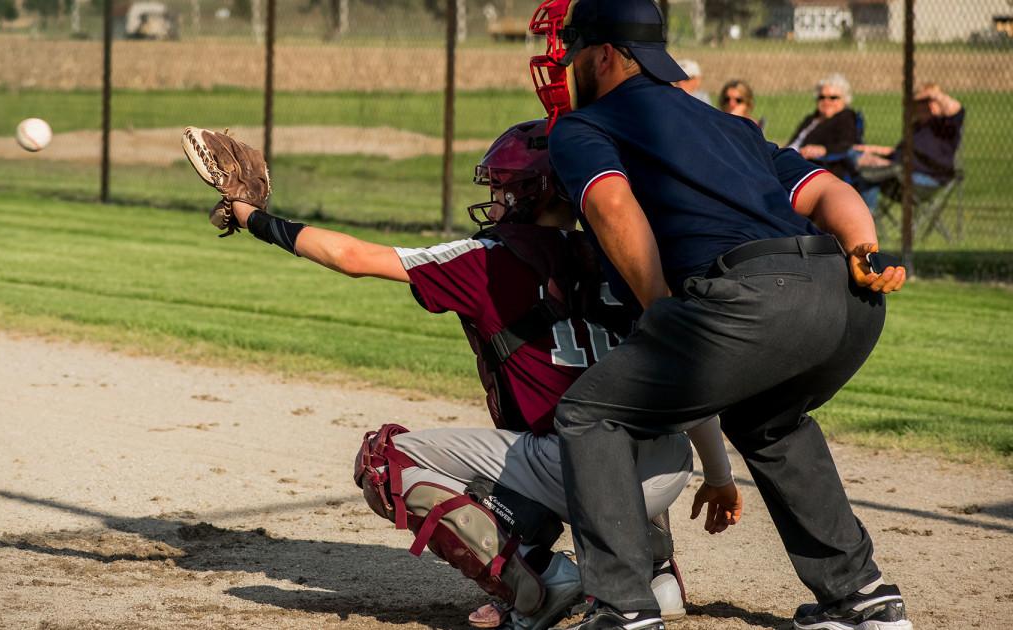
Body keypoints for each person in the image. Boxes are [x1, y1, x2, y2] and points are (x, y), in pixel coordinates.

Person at [181, 120, 739, 630]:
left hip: (584, 475)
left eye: (503, 189)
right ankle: (657, 579)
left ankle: (536, 587)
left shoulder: (488, 258)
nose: (494, 202)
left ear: (534, 191)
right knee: (632, 401)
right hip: (667, 470)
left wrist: (254, 218)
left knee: (385, 459)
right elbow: (680, 373)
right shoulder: (627, 255)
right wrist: (718, 475)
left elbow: (351, 255)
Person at [529, 0, 909, 628]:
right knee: (769, 421)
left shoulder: (582, 126)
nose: (565, 62)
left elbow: (611, 207)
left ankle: (623, 606)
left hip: (754, 297)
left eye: (571, 50)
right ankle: (861, 597)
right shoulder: (730, 126)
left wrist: (658, 308)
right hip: (847, 299)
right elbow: (827, 192)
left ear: (602, 55)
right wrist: (864, 252)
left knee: (590, 413)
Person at [852, 83, 965, 214]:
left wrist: (933, 94)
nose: (925, 106)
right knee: (861, 165)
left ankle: (864, 218)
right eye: (920, 102)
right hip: (900, 174)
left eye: (929, 101)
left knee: (871, 173)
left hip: (925, 180)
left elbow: (956, 109)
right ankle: (860, 216)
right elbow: (897, 152)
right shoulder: (916, 128)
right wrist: (872, 150)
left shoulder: (945, 126)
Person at [785, 73, 863, 182]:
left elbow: (846, 146)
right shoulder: (811, 119)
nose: (826, 102)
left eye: (833, 97)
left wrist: (823, 150)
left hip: (816, 169)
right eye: (822, 97)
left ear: (844, 99)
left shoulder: (846, 118)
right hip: (791, 161)